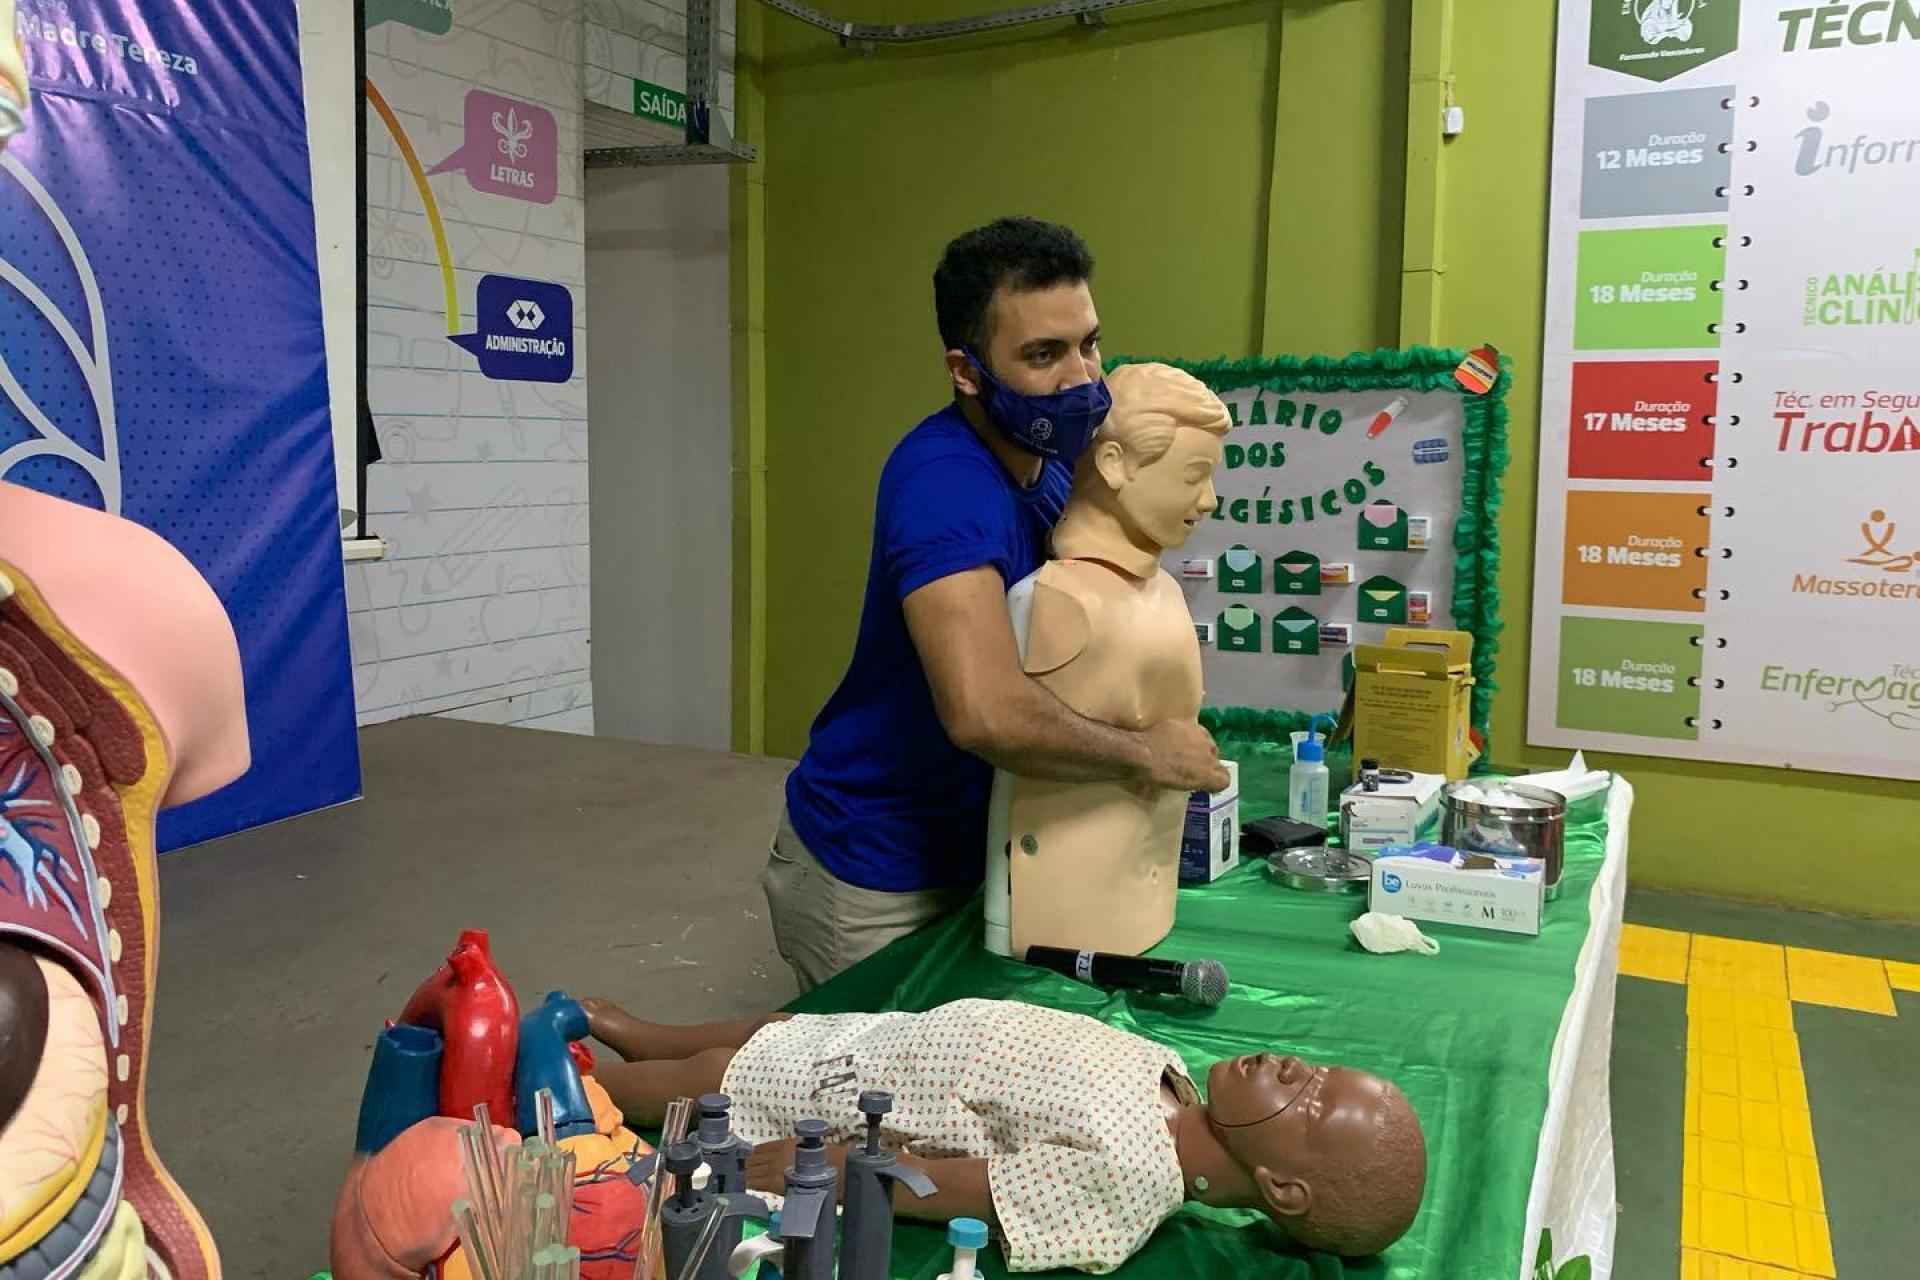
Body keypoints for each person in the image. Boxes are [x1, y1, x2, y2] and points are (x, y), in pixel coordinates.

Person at [770, 217, 1229, 991]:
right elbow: (983, 710)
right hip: (879, 873)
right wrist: (1147, 755)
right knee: (870, 1100)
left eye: (1088, 342)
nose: (1081, 378)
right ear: (967, 369)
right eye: (1042, 356)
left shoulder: (1050, 468)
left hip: (985, 847)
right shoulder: (944, 489)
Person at [579, 996, 1427, 1274]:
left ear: (1283, 1188)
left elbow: (970, 1191)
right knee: (769, 1025)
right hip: (889, 1035)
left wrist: (840, 1167)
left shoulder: (1128, 1183)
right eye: (1315, 1068)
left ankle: (588, 1082)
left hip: (860, 1094)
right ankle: (644, 1031)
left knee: (719, 1077)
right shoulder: (1176, 1075)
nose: (1290, 1064)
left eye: (1310, 1102)